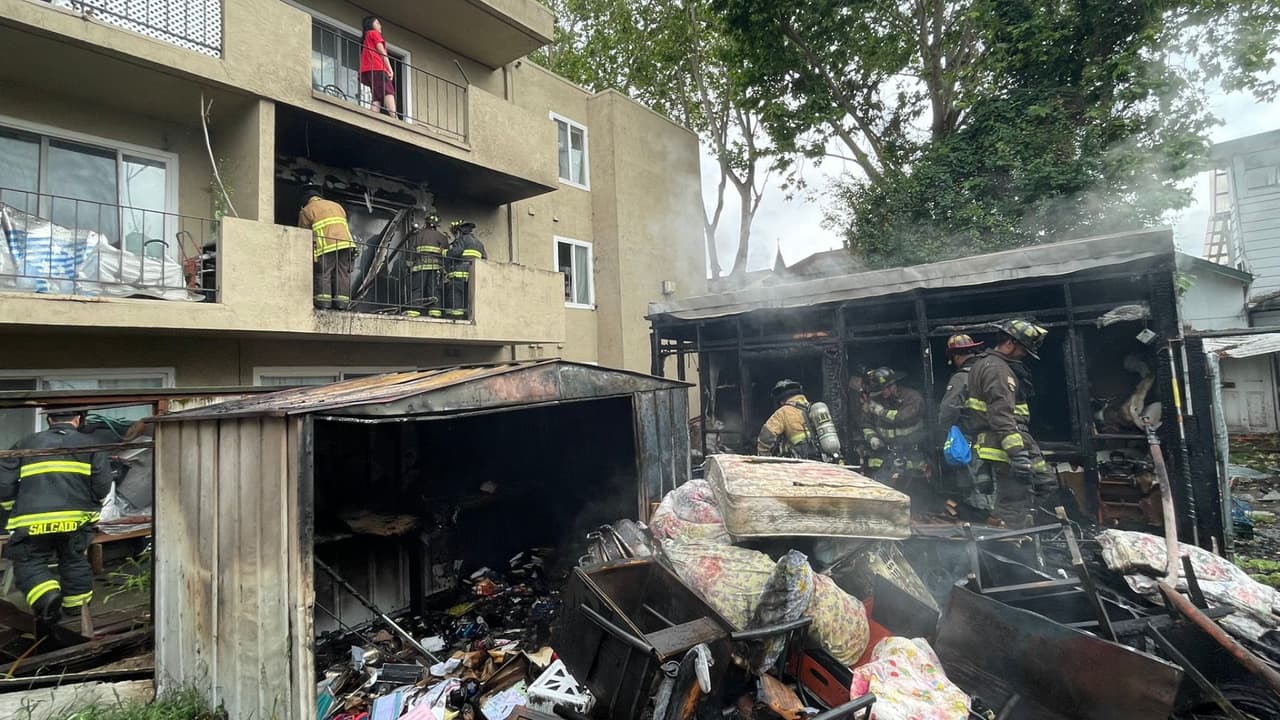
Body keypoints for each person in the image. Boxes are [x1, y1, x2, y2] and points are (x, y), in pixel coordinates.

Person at [0, 409, 111, 622]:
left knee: (29, 559)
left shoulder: (25, 442)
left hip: (32, 520)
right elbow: (102, 485)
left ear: (49, 420)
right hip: (76, 519)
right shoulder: (92, 445)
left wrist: (11, 507)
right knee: (73, 558)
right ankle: (77, 608)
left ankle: (46, 597)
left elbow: (4, 484)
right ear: (77, 420)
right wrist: (92, 504)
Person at [960, 318, 1053, 527]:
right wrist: (1017, 454)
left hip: (1012, 438)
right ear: (1010, 343)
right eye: (1023, 351)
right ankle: (1011, 544)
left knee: (1045, 483)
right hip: (1005, 442)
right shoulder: (997, 369)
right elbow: (1000, 413)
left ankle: (1022, 531)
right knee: (1014, 501)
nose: (1024, 357)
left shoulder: (986, 364)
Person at [937, 334, 984, 518]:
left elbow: (948, 409)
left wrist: (944, 430)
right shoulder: (989, 372)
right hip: (996, 439)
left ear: (954, 356)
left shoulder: (962, 376)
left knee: (976, 489)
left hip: (971, 442)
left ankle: (983, 530)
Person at [860, 367, 928, 488]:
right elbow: (866, 424)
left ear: (893, 385)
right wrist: (872, 438)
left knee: (916, 491)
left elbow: (902, 418)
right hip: (886, 455)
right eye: (880, 389)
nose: (883, 392)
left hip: (913, 454)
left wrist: (881, 412)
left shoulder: (913, 398)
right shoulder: (876, 401)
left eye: (885, 388)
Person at [298, 185, 355, 310]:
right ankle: (342, 304)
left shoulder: (307, 210)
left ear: (306, 199)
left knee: (323, 273)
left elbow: (301, 234)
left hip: (326, 246)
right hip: (346, 244)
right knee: (342, 273)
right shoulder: (336, 206)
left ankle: (323, 304)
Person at [756, 380, 818, 459]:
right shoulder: (813, 408)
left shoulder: (783, 412)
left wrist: (763, 457)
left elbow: (766, 436)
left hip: (800, 460)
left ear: (781, 400)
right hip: (821, 458)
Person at [405, 212, 450, 317]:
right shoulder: (442, 237)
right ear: (436, 224)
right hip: (436, 267)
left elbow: (411, 251)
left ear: (427, 222)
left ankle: (414, 310)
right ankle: (435, 310)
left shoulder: (418, 234)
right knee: (434, 289)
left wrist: (409, 265)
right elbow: (446, 254)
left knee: (418, 288)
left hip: (420, 266)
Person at [443, 221, 486, 319]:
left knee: (456, 297)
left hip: (459, 274)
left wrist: (445, 253)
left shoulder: (460, 239)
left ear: (460, 231)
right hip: (472, 276)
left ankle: (456, 319)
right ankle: (467, 316)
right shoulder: (479, 243)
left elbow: (457, 251)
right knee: (468, 298)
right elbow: (484, 259)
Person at [359, 16, 397, 118]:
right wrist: (390, 68)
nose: (380, 26)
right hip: (377, 68)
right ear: (371, 24)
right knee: (388, 90)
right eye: (377, 23)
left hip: (368, 70)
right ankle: (395, 118)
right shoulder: (373, 33)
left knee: (377, 97)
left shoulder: (366, 37)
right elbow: (381, 51)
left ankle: (372, 118)